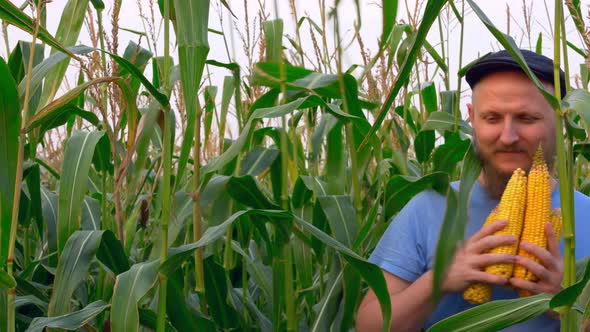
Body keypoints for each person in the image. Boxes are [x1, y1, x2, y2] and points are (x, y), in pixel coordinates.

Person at [355, 49, 590, 331]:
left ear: (561, 119)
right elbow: (368, 326)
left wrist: (570, 305)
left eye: (527, 118)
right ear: (472, 118)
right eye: (492, 118)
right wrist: (438, 280)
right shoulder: (427, 208)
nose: (508, 137)